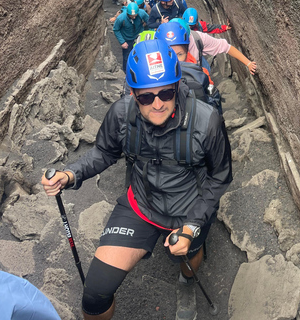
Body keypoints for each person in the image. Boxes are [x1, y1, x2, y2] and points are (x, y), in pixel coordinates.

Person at [41, 39, 232, 320]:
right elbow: (104, 153)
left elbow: (219, 176)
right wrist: (71, 174)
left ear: (177, 86)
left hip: (189, 208)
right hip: (140, 205)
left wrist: (192, 226)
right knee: (94, 296)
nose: (157, 104)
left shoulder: (206, 121)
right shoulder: (121, 114)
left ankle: (187, 280)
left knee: (186, 255)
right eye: (145, 97)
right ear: (133, 93)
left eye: (166, 93)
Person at [113, 2, 149, 73]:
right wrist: (122, 42)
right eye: (132, 16)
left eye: (135, 15)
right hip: (127, 39)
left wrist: (147, 31)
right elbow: (116, 29)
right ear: (127, 13)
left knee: (141, 55)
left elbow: (149, 21)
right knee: (127, 57)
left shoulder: (142, 13)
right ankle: (126, 72)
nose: (134, 17)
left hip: (139, 37)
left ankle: (140, 71)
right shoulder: (121, 18)